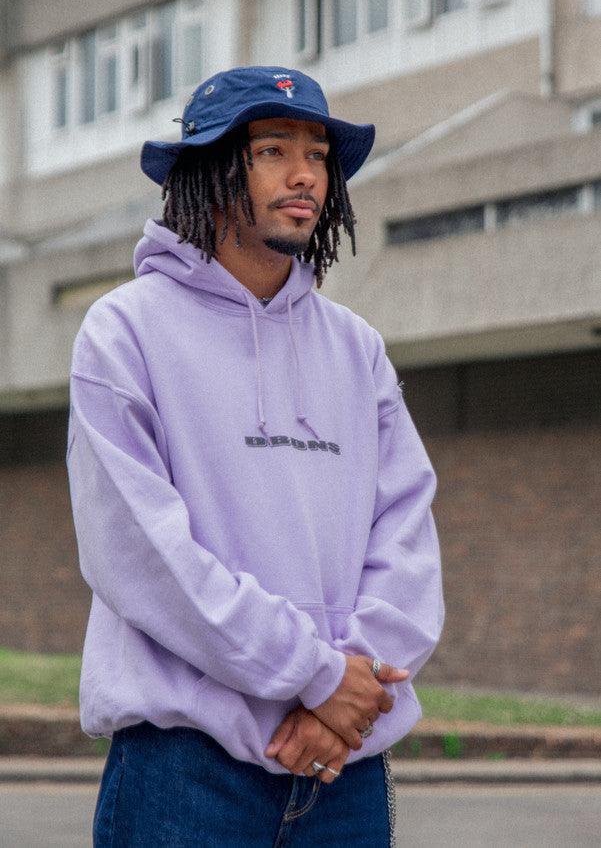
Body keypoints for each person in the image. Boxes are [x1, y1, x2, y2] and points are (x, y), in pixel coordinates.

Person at [66, 65, 445, 847]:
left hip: (343, 773)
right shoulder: (124, 332)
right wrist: (313, 676)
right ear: (205, 168)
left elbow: (405, 532)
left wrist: (350, 696)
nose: (304, 174)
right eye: (272, 150)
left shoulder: (355, 347)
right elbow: (143, 556)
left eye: (317, 153)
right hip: (185, 776)